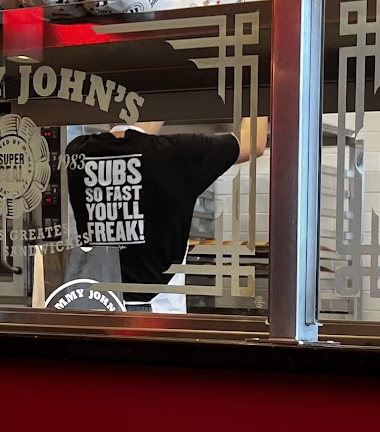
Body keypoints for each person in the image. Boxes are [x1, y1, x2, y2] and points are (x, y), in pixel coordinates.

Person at [64, 117, 269, 307]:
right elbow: (253, 144)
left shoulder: (77, 150)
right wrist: (263, 89)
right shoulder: (177, 153)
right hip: (157, 314)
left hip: (95, 307)